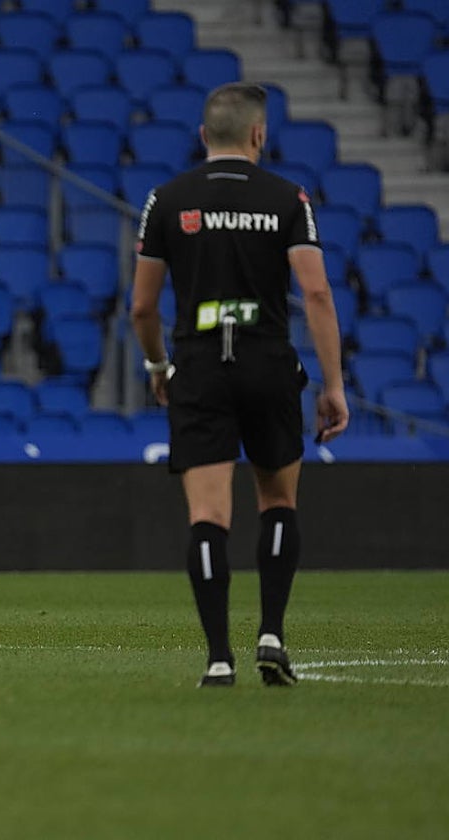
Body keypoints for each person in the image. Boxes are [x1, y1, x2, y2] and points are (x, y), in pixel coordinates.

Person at [130, 82, 349, 688]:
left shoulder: (167, 199)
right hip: (267, 361)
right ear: (259, 134)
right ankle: (272, 634)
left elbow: (142, 309)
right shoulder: (288, 198)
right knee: (278, 502)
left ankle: (219, 658)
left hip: (199, 363)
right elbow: (316, 293)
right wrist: (333, 384)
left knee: (208, 515)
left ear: (205, 136)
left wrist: (158, 369)